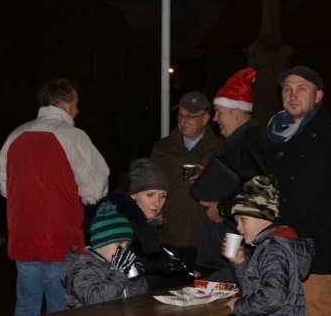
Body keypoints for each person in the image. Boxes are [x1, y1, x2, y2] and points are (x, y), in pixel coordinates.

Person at [0, 78, 109, 316]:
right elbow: (95, 191)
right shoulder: (74, 136)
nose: (78, 110)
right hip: (62, 237)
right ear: (64, 103)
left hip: (24, 235)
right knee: (59, 305)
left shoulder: (16, 135)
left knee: (26, 304)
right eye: (76, 103)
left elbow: (5, 188)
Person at [265, 66, 331, 316]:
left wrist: (301, 232)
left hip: (315, 266)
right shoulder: (276, 139)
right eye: (287, 89)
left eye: (301, 89)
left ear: (318, 96)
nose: (292, 95)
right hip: (275, 265)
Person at [198, 68, 270, 276]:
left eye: (219, 112)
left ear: (237, 113)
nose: (215, 118)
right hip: (228, 241)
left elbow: (254, 191)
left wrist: (222, 209)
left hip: (237, 244)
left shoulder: (250, 143)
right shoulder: (239, 142)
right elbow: (236, 179)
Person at [149, 91, 222, 273]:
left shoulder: (220, 149)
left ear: (205, 119)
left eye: (190, 116)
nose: (183, 121)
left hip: (203, 239)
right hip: (168, 236)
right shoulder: (162, 147)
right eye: (180, 115)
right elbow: (149, 187)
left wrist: (209, 177)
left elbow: (230, 191)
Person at [223, 175, 314, 316]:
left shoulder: (273, 249)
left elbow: (274, 297)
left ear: (264, 218)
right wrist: (240, 263)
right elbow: (253, 288)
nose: (238, 228)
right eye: (237, 222)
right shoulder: (271, 245)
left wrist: (239, 306)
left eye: (243, 220)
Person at [93, 158, 188, 289]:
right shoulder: (117, 221)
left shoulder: (150, 221)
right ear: (133, 195)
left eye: (162, 196)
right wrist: (160, 262)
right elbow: (131, 255)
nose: (157, 203)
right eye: (150, 195)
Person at [62, 202, 147, 308]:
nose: (123, 249)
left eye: (127, 245)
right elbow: (96, 300)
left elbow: (137, 300)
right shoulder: (82, 267)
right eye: (119, 243)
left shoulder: (117, 264)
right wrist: (119, 273)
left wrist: (136, 280)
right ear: (101, 243)